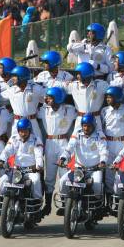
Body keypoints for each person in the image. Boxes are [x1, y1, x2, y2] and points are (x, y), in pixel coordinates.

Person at [57, 113, 108, 216]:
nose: (86, 128)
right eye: (84, 125)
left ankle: (97, 207)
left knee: (98, 185)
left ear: (93, 125)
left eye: (88, 126)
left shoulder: (99, 135)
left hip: (95, 169)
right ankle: (65, 205)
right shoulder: (77, 134)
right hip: (78, 169)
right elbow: (69, 148)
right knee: (62, 181)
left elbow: (104, 151)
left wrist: (103, 162)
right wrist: (62, 158)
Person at [37, 87, 77, 216]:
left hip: (63, 143)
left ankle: (66, 204)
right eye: (47, 97)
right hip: (50, 143)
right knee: (49, 177)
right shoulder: (43, 110)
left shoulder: (69, 110)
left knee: (64, 175)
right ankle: (47, 205)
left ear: (58, 99)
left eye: (50, 97)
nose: (47, 99)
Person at [100, 86, 124, 207]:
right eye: (107, 97)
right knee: (109, 174)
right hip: (109, 143)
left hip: (123, 143)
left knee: (123, 173)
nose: (108, 99)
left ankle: (122, 202)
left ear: (118, 98)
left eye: (110, 97)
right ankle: (109, 203)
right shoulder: (104, 111)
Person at [0, 119, 44, 202]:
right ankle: (2, 201)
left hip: (31, 170)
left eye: (25, 131)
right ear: (18, 131)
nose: (23, 134)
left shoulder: (36, 140)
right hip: (16, 169)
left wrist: (38, 166)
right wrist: (1, 160)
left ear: (29, 130)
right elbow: (7, 151)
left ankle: (37, 201)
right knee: (3, 179)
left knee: (36, 181)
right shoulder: (14, 138)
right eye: (21, 131)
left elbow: (39, 154)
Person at [63, 62, 109, 134]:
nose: (76, 76)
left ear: (85, 74)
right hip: (80, 119)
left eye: (78, 74)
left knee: (98, 141)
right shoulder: (74, 86)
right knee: (76, 140)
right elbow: (59, 87)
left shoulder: (101, 85)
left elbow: (114, 90)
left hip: (95, 119)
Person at [0, 66, 44, 138]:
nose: (12, 78)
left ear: (22, 76)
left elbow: (47, 97)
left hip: (32, 122)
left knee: (36, 144)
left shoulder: (36, 88)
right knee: (15, 145)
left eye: (14, 76)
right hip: (17, 122)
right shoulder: (11, 90)